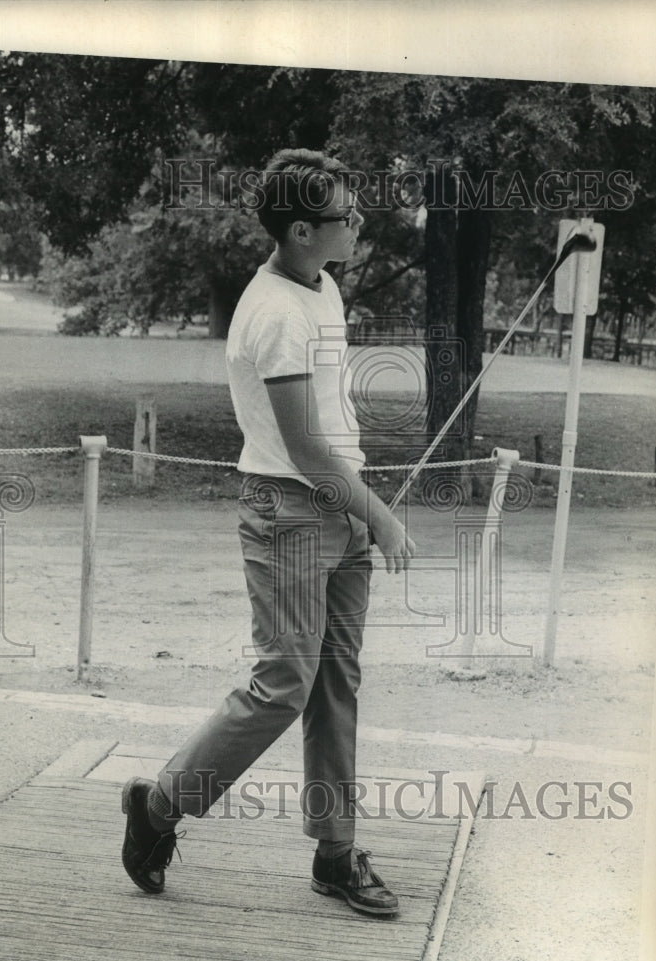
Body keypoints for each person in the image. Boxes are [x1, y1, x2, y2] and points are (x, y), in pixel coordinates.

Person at [121, 149, 416, 916]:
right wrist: (378, 513)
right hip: (290, 511)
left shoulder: (324, 288)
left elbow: (331, 432)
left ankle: (336, 854)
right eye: (345, 218)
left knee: (336, 680)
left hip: (337, 506)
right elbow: (303, 449)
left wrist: (360, 505)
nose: (357, 225)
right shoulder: (276, 314)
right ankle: (157, 807)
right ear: (300, 230)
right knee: (282, 685)